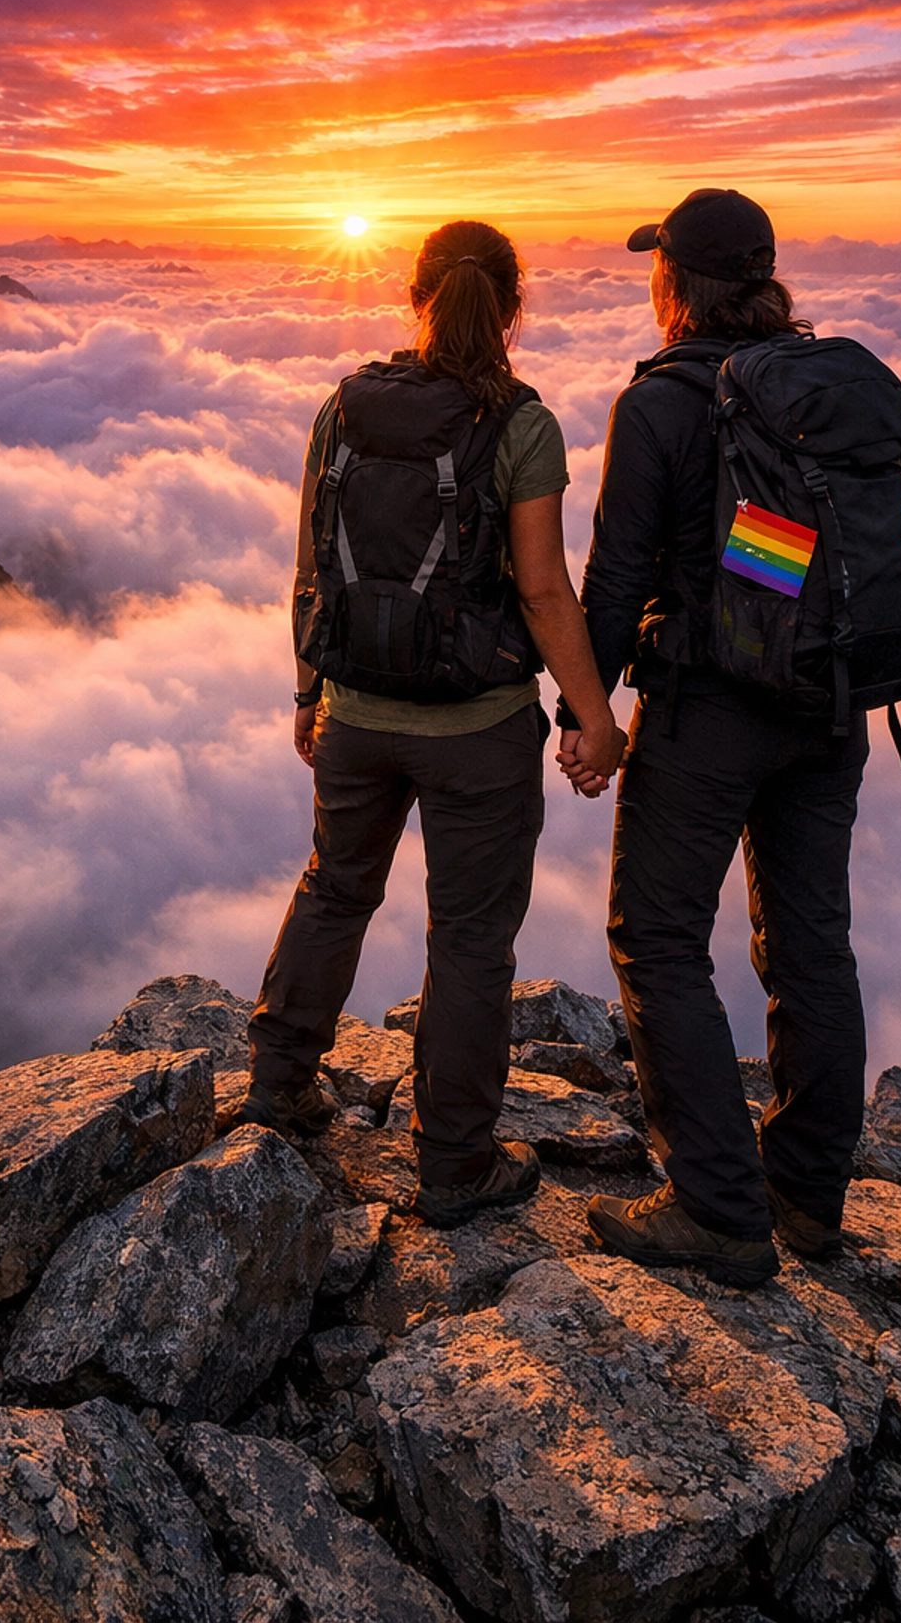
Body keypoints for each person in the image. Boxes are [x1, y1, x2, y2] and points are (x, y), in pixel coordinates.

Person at [240, 219, 628, 1227]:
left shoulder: (344, 406)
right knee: (467, 943)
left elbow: (310, 568)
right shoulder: (522, 426)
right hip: (480, 728)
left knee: (334, 890)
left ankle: (278, 1083)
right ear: (514, 305)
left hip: (357, 715)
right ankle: (455, 1163)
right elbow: (544, 593)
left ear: (415, 296)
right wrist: (598, 720)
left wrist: (306, 692)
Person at [561, 188, 869, 1288]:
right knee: (810, 947)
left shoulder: (662, 404)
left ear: (675, 284)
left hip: (710, 715)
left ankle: (717, 1209)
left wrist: (584, 715)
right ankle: (806, 1196)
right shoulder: (817, 388)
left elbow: (615, 582)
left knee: (655, 938)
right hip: (830, 712)